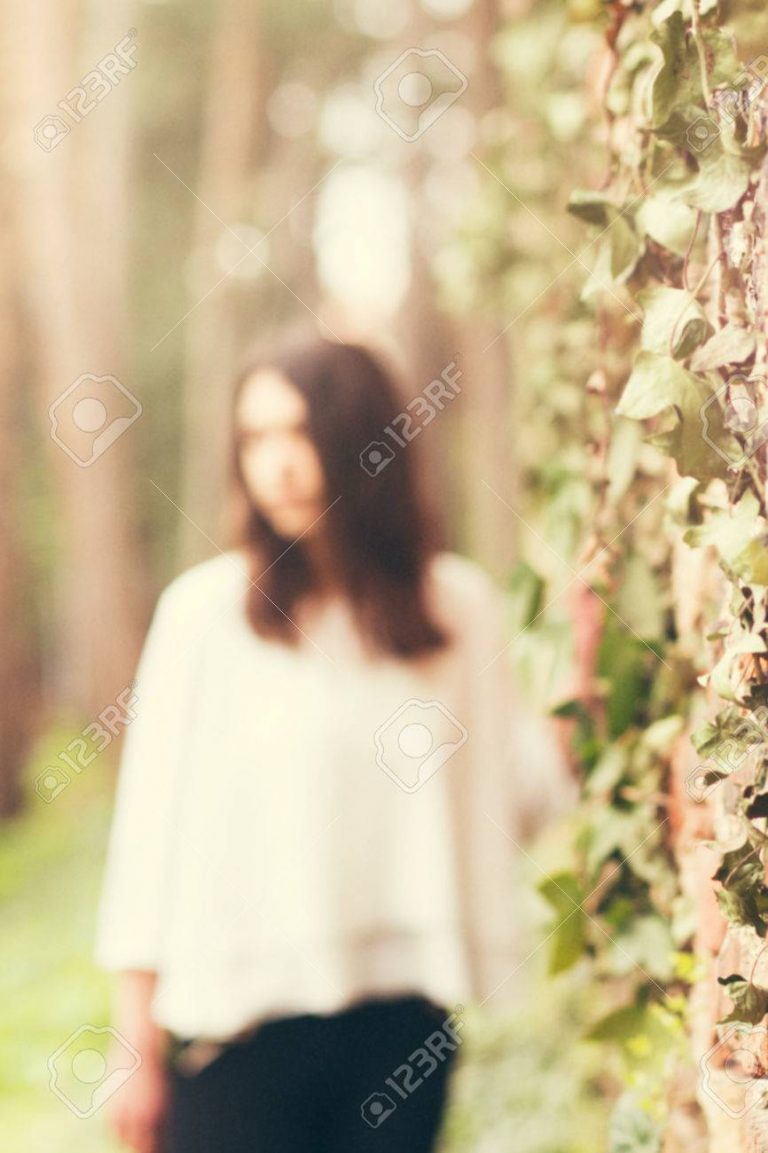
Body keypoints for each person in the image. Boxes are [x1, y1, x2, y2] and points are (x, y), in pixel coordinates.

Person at [94, 333, 567, 1153]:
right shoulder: (204, 616)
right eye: (255, 438)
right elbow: (148, 839)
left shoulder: (459, 610)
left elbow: (503, 801)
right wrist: (133, 1042)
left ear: (361, 440)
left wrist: (582, 692)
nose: (275, 464)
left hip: (400, 1030)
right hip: (236, 1036)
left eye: (300, 433)